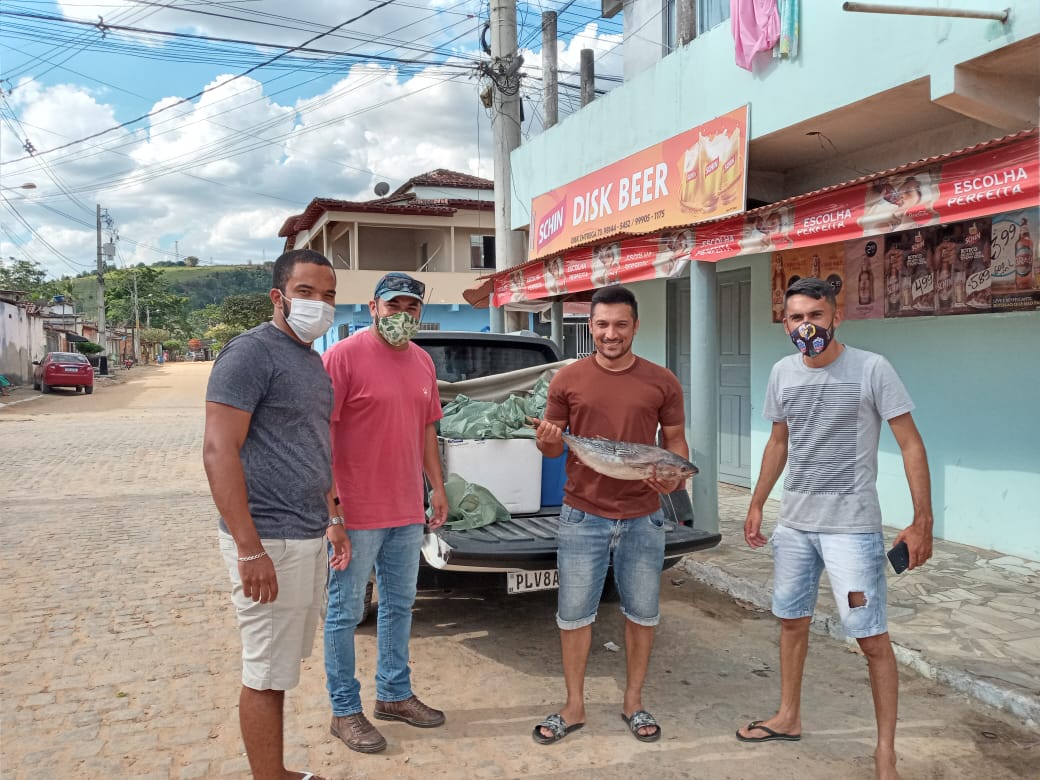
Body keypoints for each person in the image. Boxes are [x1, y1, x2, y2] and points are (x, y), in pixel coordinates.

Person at [737, 277, 933, 780]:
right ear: (786, 323)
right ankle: (788, 715)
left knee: (869, 637)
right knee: (791, 620)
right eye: (797, 317)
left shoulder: (872, 369)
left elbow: (910, 443)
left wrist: (922, 519)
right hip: (796, 528)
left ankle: (884, 753)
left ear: (835, 317)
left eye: (816, 316)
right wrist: (758, 502)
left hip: (852, 533)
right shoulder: (782, 372)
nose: (807, 327)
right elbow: (779, 442)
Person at [203, 249, 347, 780]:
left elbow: (313, 445)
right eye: (306, 292)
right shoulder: (249, 355)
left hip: (305, 532)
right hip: (269, 540)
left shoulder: (309, 359)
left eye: (329, 295)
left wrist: (333, 516)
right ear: (278, 296)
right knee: (264, 672)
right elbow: (218, 450)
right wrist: (249, 546)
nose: (319, 304)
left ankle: (277, 771)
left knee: (280, 668)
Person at [530, 285, 689, 745]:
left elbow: (675, 442)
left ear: (635, 326)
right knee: (574, 614)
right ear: (591, 327)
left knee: (642, 612)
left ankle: (633, 701)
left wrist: (674, 477)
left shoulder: (662, 381)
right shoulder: (567, 380)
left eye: (621, 324)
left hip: (644, 517)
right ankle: (574, 705)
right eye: (601, 324)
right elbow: (551, 446)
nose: (611, 333)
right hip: (583, 516)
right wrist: (546, 437)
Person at [322, 271, 449, 754]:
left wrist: (436, 488)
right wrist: (332, 514)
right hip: (355, 513)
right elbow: (321, 437)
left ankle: (394, 695)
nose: (402, 315)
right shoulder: (342, 357)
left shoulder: (421, 362)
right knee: (346, 612)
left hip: (405, 509)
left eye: (411, 308)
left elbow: (426, 432)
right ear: (373, 308)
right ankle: (344, 710)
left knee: (399, 605)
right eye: (392, 306)